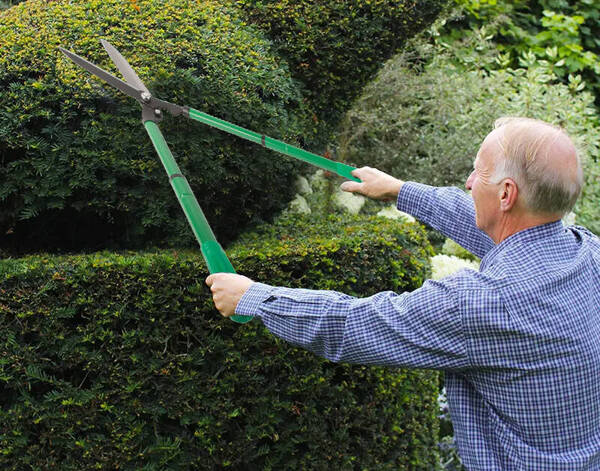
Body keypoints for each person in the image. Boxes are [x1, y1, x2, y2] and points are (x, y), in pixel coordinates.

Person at [206, 117, 600, 470]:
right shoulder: (589, 253)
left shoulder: (478, 304)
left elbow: (354, 325)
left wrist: (255, 297)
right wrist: (397, 189)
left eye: (478, 172)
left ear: (506, 194)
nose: (467, 182)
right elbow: (484, 222)